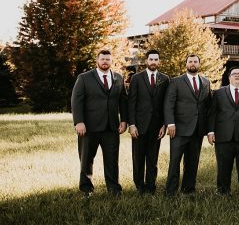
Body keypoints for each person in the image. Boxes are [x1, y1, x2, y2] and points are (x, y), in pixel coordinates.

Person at [71, 49, 128, 197]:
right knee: (86, 159)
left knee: (112, 160)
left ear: (112, 61)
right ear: (97, 60)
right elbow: (76, 101)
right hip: (89, 127)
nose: (105, 62)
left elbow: (123, 101)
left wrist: (124, 120)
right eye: (102, 59)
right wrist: (79, 122)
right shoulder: (84, 78)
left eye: (108, 59)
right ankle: (86, 189)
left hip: (111, 127)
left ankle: (114, 189)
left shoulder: (118, 78)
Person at [207, 67, 239, 197]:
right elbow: (212, 113)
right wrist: (210, 131)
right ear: (229, 77)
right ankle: (223, 191)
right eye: (234, 74)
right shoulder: (218, 93)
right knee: (223, 166)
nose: (237, 76)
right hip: (223, 136)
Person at [164, 54, 211, 196]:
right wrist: (170, 123)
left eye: (195, 61)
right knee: (175, 161)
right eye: (190, 61)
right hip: (179, 128)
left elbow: (207, 106)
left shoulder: (206, 82)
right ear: (186, 64)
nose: (193, 64)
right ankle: (171, 191)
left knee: (192, 161)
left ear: (199, 64)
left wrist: (208, 129)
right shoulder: (176, 81)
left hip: (197, 129)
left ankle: (188, 189)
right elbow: (169, 103)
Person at [127, 48, 168, 194]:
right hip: (139, 125)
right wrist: (131, 124)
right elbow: (131, 103)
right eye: (151, 59)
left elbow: (166, 104)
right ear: (146, 61)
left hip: (156, 127)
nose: (153, 62)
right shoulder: (137, 78)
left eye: (156, 59)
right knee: (138, 158)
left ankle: (151, 187)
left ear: (159, 61)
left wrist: (164, 124)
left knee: (153, 159)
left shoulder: (165, 79)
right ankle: (139, 186)